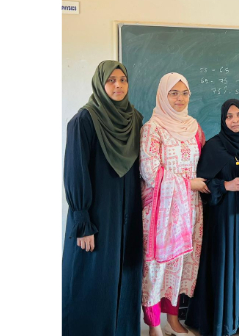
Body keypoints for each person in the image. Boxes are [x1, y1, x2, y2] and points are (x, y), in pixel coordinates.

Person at [62, 60, 144, 336]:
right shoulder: (84, 121)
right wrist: (82, 222)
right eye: (111, 80)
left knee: (125, 274)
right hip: (97, 213)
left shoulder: (135, 119)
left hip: (129, 212)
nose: (118, 85)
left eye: (123, 79)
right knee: (94, 278)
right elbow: (75, 173)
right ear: (100, 83)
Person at [186, 99, 239, 336]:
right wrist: (226, 185)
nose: (235, 121)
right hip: (224, 218)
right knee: (225, 264)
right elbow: (203, 184)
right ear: (223, 120)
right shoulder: (213, 147)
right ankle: (225, 321)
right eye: (229, 116)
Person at [140, 73, 208, 336]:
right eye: (173, 93)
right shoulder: (152, 128)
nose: (180, 99)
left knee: (181, 265)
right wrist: (189, 184)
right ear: (163, 95)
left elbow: (205, 163)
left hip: (190, 209)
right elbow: (150, 171)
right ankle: (154, 325)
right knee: (157, 268)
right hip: (162, 210)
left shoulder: (194, 127)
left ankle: (173, 319)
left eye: (184, 93)